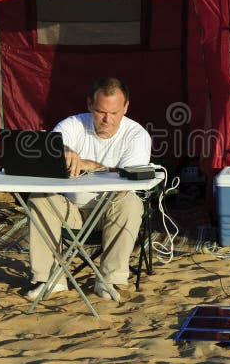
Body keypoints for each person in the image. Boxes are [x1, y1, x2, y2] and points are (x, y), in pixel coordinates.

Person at [26, 77, 152, 301]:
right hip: (70, 209)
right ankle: (50, 279)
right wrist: (62, 152)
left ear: (126, 107)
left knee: (131, 203)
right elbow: (53, 147)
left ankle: (110, 280)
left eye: (114, 113)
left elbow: (128, 182)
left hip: (108, 211)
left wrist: (89, 165)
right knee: (39, 197)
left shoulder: (137, 135)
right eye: (101, 111)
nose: (107, 119)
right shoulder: (73, 125)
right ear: (89, 105)